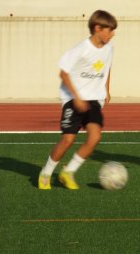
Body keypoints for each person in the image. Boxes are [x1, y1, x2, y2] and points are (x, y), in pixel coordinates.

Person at [38, 10, 117, 190]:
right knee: (68, 140)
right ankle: (45, 173)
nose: (112, 34)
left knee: (95, 136)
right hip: (73, 100)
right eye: (110, 30)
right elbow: (63, 73)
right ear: (97, 28)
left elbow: (107, 66)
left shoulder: (109, 49)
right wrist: (76, 97)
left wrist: (106, 89)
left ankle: (68, 172)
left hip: (94, 100)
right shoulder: (80, 49)